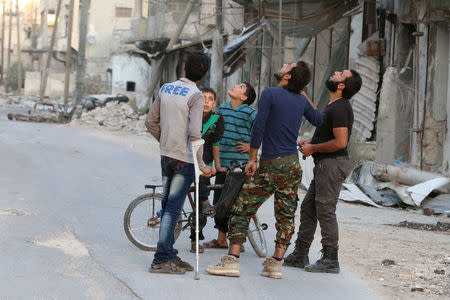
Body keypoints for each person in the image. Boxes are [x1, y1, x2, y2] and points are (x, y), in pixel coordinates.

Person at [206, 61, 323, 279]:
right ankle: (276, 264)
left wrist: (252, 158)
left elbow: (259, 125)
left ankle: (232, 260)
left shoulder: (270, 93)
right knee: (286, 216)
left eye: (288, 66)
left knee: (242, 208)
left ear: (288, 76)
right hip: (292, 165)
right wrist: (302, 92)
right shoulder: (300, 100)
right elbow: (318, 119)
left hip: (271, 164)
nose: (284, 64)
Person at [284, 69, 362, 274]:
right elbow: (324, 128)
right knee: (309, 208)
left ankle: (330, 259)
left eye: (340, 74)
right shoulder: (333, 106)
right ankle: (300, 254)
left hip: (332, 164)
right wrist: (311, 142)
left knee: (326, 211)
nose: (335, 72)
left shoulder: (341, 108)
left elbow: (340, 142)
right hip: (325, 164)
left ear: (342, 85)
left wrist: (313, 148)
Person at [145, 52, 215, 275]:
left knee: (168, 206)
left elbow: (150, 121)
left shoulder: (166, 88)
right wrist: (201, 163)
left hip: (167, 156)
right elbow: (195, 132)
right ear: (204, 74)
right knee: (172, 210)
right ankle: (161, 259)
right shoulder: (196, 95)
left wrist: (165, 142)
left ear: (184, 68)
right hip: (184, 160)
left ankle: (169, 253)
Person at [202, 82, 257, 250]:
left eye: (240, 86)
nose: (235, 85)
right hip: (222, 164)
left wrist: (251, 146)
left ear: (244, 97)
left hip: (240, 166)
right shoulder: (221, 110)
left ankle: (236, 241)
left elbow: (263, 131)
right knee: (220, 202)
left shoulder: (250, 113)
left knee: (236, 204)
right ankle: (221, 239)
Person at [189, 87, 225, 253]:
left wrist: (217, 166)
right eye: (203, 98)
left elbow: (216, 144)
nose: (206, 101)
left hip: (206, 162)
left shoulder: (217, 119)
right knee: (200, 199)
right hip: (186, 159)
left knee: (199, 204)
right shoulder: (189, 115)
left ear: (214, 103)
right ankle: (205, 202)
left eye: (210, 98)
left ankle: (195, 240)